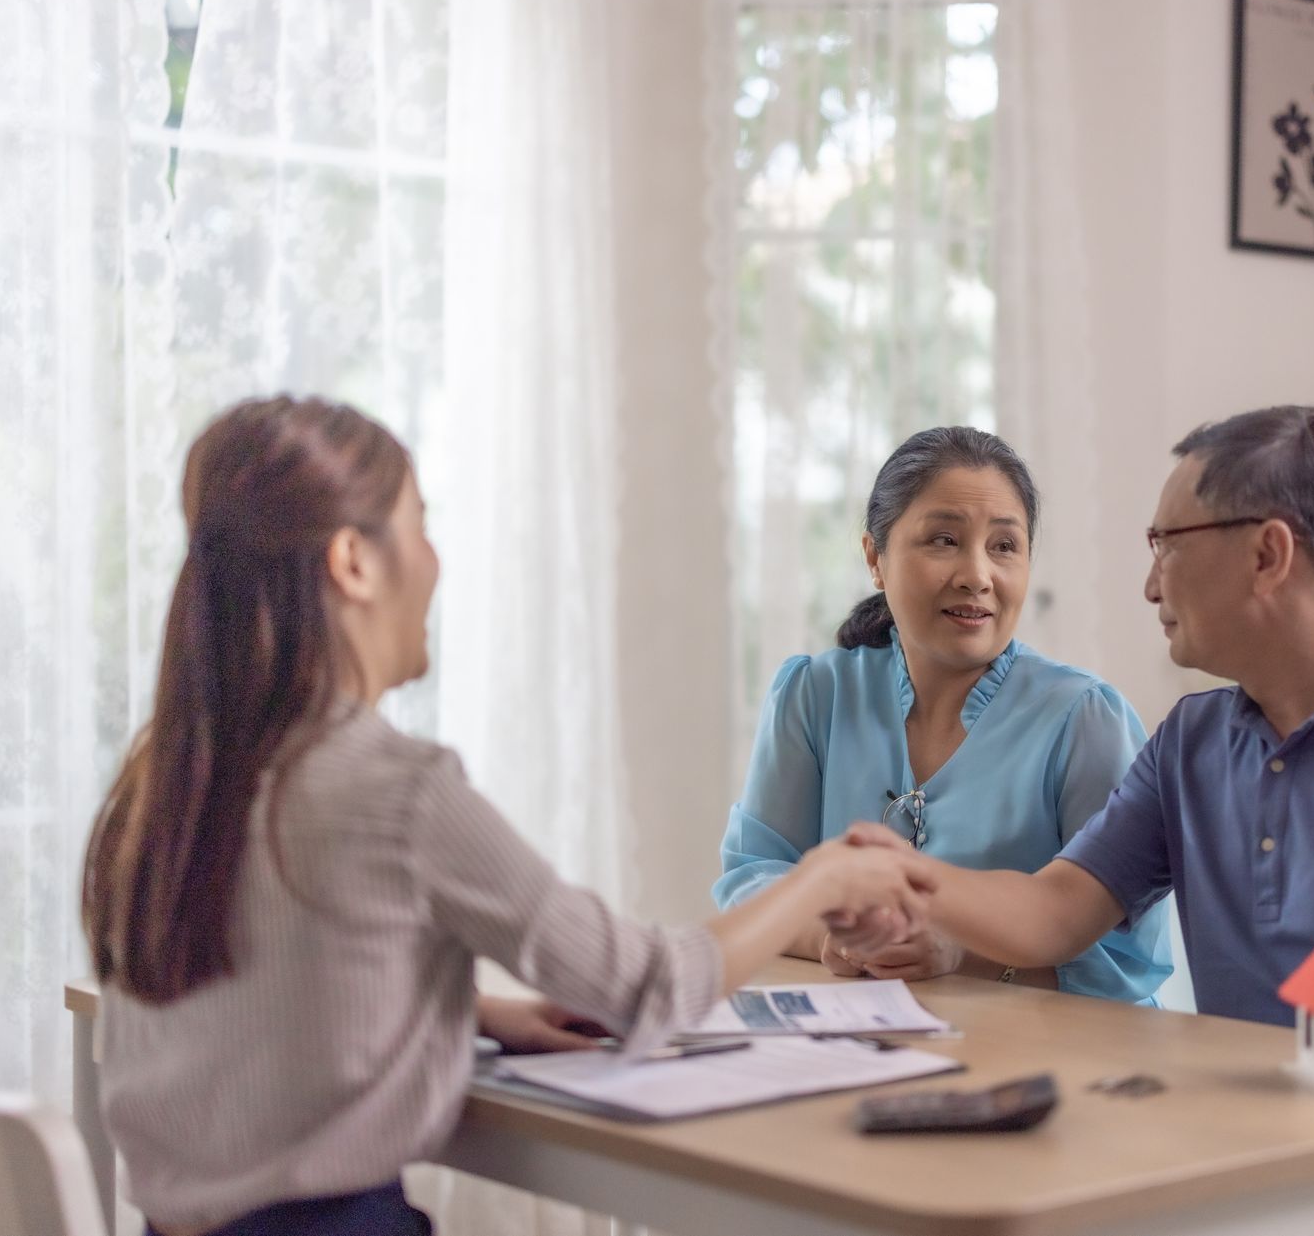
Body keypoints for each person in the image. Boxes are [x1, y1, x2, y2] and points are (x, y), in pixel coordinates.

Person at [82, 397, 934, 1236]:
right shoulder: (395, 788)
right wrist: (821, 878)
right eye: (417, 526)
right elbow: (649, 986)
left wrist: (474, 1012)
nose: (435, 560)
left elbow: (254, 979)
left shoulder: (167, 780)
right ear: (353, 561)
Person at [844, 406, 1314, 1236]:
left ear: (1268, 553)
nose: (1151, 583)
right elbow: (1051, 915)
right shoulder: (1192, 739)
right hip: (1246, 1173)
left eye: (1167, 544)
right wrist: (897, 871)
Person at [715, 427, 1172, 1002]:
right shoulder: (813, 694)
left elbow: (1127, 958)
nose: (977, 575)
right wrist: (841, 940)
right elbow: (753, 877)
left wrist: (963, 955)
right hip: (860, 1044)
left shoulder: (1085, 719)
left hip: (1044, 1055)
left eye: (1004, 546)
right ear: (874, 559)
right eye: (944, 540)